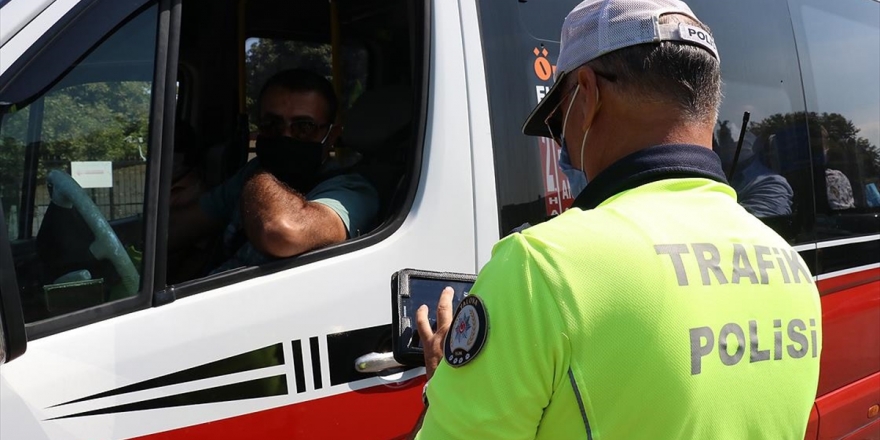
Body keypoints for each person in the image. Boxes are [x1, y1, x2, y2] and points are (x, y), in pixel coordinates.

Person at [409, 1, 822, 439]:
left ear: (587, 94)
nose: (564, 147)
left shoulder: (540, 267)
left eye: (558, 123)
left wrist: (446, 389)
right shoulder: (792, 268)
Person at [169, 69, 379, 275]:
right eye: (272, 124)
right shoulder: (254, 171)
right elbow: (183, 225)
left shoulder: (352, 192)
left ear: (331, 136)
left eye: (303, 127)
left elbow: (281, 232)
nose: (285, 136)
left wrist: (262, 176)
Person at [714, 123, 794, 217]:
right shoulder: (713, 174)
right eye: (723, 140)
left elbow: (759, 222)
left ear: (749, 144)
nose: (728, 146)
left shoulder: (771, 183)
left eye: (734, 142)